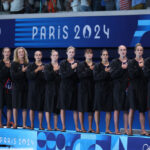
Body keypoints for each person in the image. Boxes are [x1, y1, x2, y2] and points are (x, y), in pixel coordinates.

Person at [58, 46, 80, 132]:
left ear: (74, 53)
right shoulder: (63, 63)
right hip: (64, 88)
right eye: (70, 52)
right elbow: (63, 76)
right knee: (62, 107)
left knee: (75, 108)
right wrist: (71, 68)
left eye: (72, 52)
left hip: (74, 87)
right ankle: (63, 126)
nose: (71, 53)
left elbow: (78, 76)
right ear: (67, 53)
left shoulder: (78, 63)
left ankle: (76, 127)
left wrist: (72, 72)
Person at [128, 43, 148, 136]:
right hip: (133, 88)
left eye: (141, 50)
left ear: (143, 52)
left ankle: (143, 130)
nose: (139, 52)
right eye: (138, 50)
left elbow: (147, 75)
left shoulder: (146, 62)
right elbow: (132, 75)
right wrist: (139, 68)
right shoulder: (131, 62)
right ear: (135, 51)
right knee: (132, 109)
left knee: (142, 110)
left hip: (142, 88)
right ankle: (130, 129)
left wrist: (143, 67)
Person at [110, 45, 129, 135]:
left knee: (126, 109)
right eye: (121, 50)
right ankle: (116, 129)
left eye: (124, 50)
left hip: (127, 88)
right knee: (116, 109)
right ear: (118, 52)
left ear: (126, 51)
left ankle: (126, 129)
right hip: (117, 88)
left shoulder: (130, 62)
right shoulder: (114, 62)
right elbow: (112, 75)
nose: (123, 51)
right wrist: (122, 68)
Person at [93, 49, 113, 134]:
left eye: (106, 55)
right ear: (101, 56)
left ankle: (107, 128)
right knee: (97, 109)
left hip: (109, 90)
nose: (105, 56)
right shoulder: (97, 66)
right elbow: (96, 77)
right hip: (99, 90)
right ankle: (97, 128)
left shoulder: (112, 66)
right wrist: (105, 72)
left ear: (108, 56)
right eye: (103, 55)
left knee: (108, 110)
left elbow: (114, 77)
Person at [10, 47, 29, 129]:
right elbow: (13, 76)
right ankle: (15, 123)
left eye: (22, 52)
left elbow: (28, 76)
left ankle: (24, 124)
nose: (21, 53)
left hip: (25, 87)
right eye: (19, 52)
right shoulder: (14, 64)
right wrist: (22, 71)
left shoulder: (27, 64)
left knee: (24, 106)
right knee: (15, 106)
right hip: (16, 87)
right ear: (17, 54)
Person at [77, 49, 95, 133]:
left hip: (92, 88)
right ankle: (82, 127)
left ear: (92, 55)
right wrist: (89, 70)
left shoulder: (95, 65)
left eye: (90, 53)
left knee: (91, 109)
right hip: (82, 89)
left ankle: (90, 128)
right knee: (82, 109)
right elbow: (80, 76)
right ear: (85, 55)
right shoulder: (81, 64)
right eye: (87, 53)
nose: (89, 55)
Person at [27, 51, 45, 130]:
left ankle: (40, 125)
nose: (38, 56)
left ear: (41, 56)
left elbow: (46, 78)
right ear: (34, 56)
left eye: (39, 55)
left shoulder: (45, 66)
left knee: (40, 109)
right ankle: (32, 125)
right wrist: (37, 70)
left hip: (41, 90)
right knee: (32, 108)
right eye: (36, 55)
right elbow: (29, 76)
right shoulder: (31, 65)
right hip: (32, 89)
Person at [44, 50, 60, 131]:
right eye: (53, 55)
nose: (55, 57)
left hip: (58, 89)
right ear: (51, 57)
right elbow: (47, 77)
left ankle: (56, 126)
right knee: (48, 108)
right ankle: (49, 125)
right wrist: (54, 70)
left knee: (56, 109)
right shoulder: (47, 66)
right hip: (49, 90)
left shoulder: (60, 66)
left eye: (56, 55)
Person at [0, 47, 12, 128]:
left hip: (9, 87)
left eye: (8, 52)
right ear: (3, 53)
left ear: (10, 53)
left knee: (9, 106)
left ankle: (8, 123)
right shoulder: (0, 63)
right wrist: (6, 67)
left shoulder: (13, 63)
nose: (7, 53)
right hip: (0, 86)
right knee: (0, 105)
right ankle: (0, 122)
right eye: (5, 52)